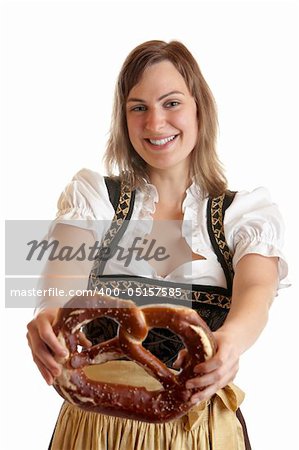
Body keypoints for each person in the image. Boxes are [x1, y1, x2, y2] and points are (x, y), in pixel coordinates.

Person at [26, 40, 288, 450]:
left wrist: (230, 342)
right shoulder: (96, 198)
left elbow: (257, 288)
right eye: (138, 107)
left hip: (198, 433)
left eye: (171, 103)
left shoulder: (243, 214)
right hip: (96, 431)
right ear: (123, 118)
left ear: (200, 107)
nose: (154, 123)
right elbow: (63, 267)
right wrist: (48, 313)